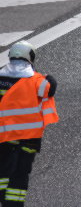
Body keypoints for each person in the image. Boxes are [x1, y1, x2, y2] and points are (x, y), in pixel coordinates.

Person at [0, 41, 58, 207]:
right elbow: (50, 88)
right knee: (20, 173)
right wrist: (48, 77)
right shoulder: (36, 81)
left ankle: (3, 197)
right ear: (30, 57)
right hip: (28, 138)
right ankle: (13, 204)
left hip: (3, 136)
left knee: (3, 170)